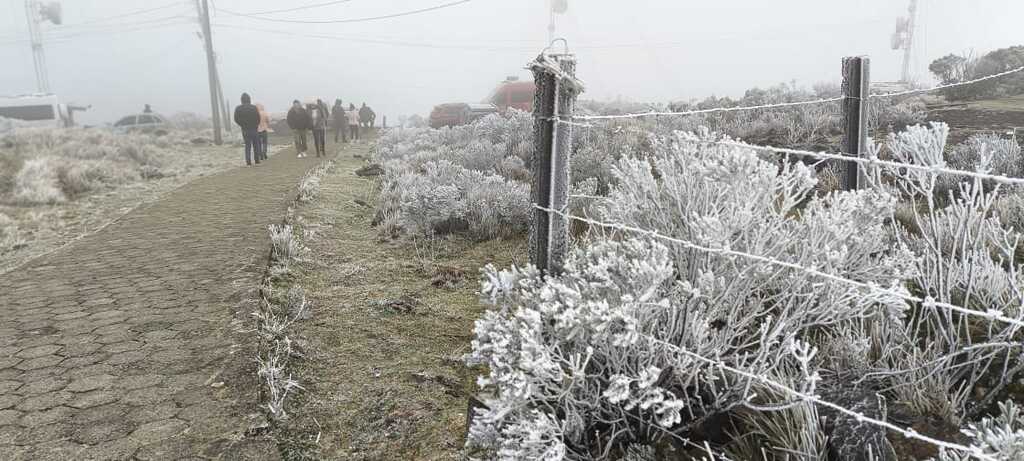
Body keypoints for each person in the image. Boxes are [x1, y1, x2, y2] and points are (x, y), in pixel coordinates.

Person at [233, 93, 261, 166]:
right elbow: (258, 118)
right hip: (254, 129)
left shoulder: (238, 108)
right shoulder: (254, 108)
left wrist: (242, 124)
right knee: (256, 145)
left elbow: (236, 119)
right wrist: (255, 125)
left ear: (241, 100)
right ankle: (257, 160)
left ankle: (248, 162)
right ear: (249, 99)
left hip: (245, 129)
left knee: (247, 145)